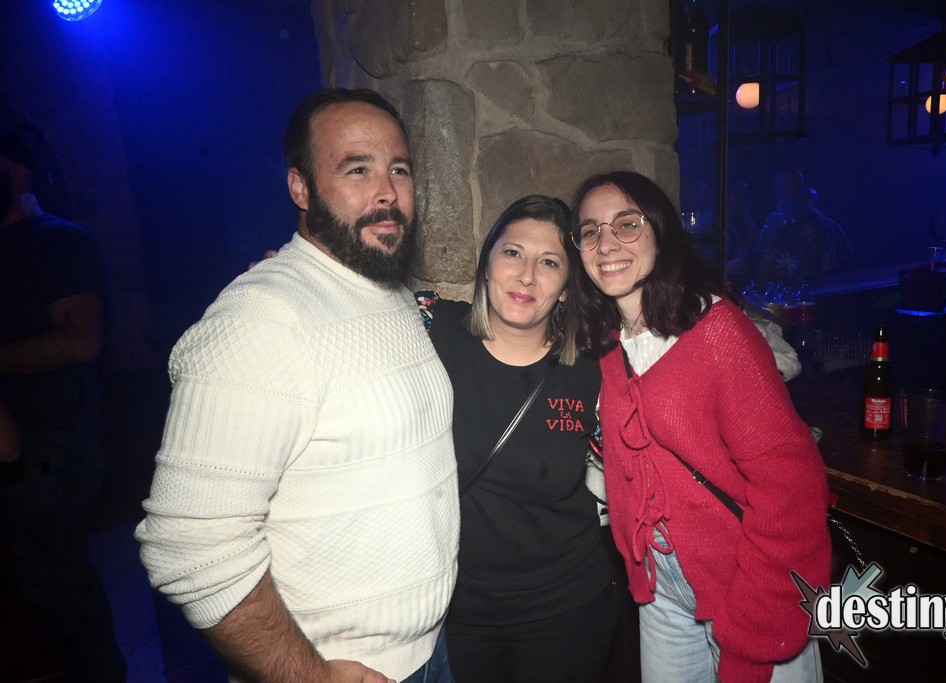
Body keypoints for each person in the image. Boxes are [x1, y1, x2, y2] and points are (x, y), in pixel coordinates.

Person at [135, 88, 460, 683]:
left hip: (429, 652)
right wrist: (309, 676)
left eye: (399, 169)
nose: (387, 192)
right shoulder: (260, 320)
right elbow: (188, 547)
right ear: (301, 188)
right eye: (357, 169)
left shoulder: (389, 294)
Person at [568, 170, 831, 683]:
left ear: (660, 232)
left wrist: (757, 633)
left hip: (752, 586)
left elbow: (792, 488)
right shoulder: (607, 345)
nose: (606, 244)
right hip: (663, 590)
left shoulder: (717, 333)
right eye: (590, 231)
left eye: (626, 224)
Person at [418, 195, 618, 682]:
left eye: (549, 263)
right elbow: (348, 317)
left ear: (566, 289)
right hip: (456, 612)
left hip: (566, 609)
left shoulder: (592, 370)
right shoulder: (431, 330)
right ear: (487, 264)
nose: (527, 276)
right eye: (513, 253)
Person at [0, 127, 126, 680]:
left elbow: (81, 341)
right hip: (23, 446)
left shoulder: (56, 243)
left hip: (50, 445)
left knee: (55, 581)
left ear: (18, 172)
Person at [749, 170, 853, 286]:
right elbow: (846, 258)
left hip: (787, 292)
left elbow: (764, 259)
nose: (773, 195)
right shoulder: (826, 222)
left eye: (774, 190)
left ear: (786, 189)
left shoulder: (776, 219)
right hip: (822, 290)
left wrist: (760, 289)